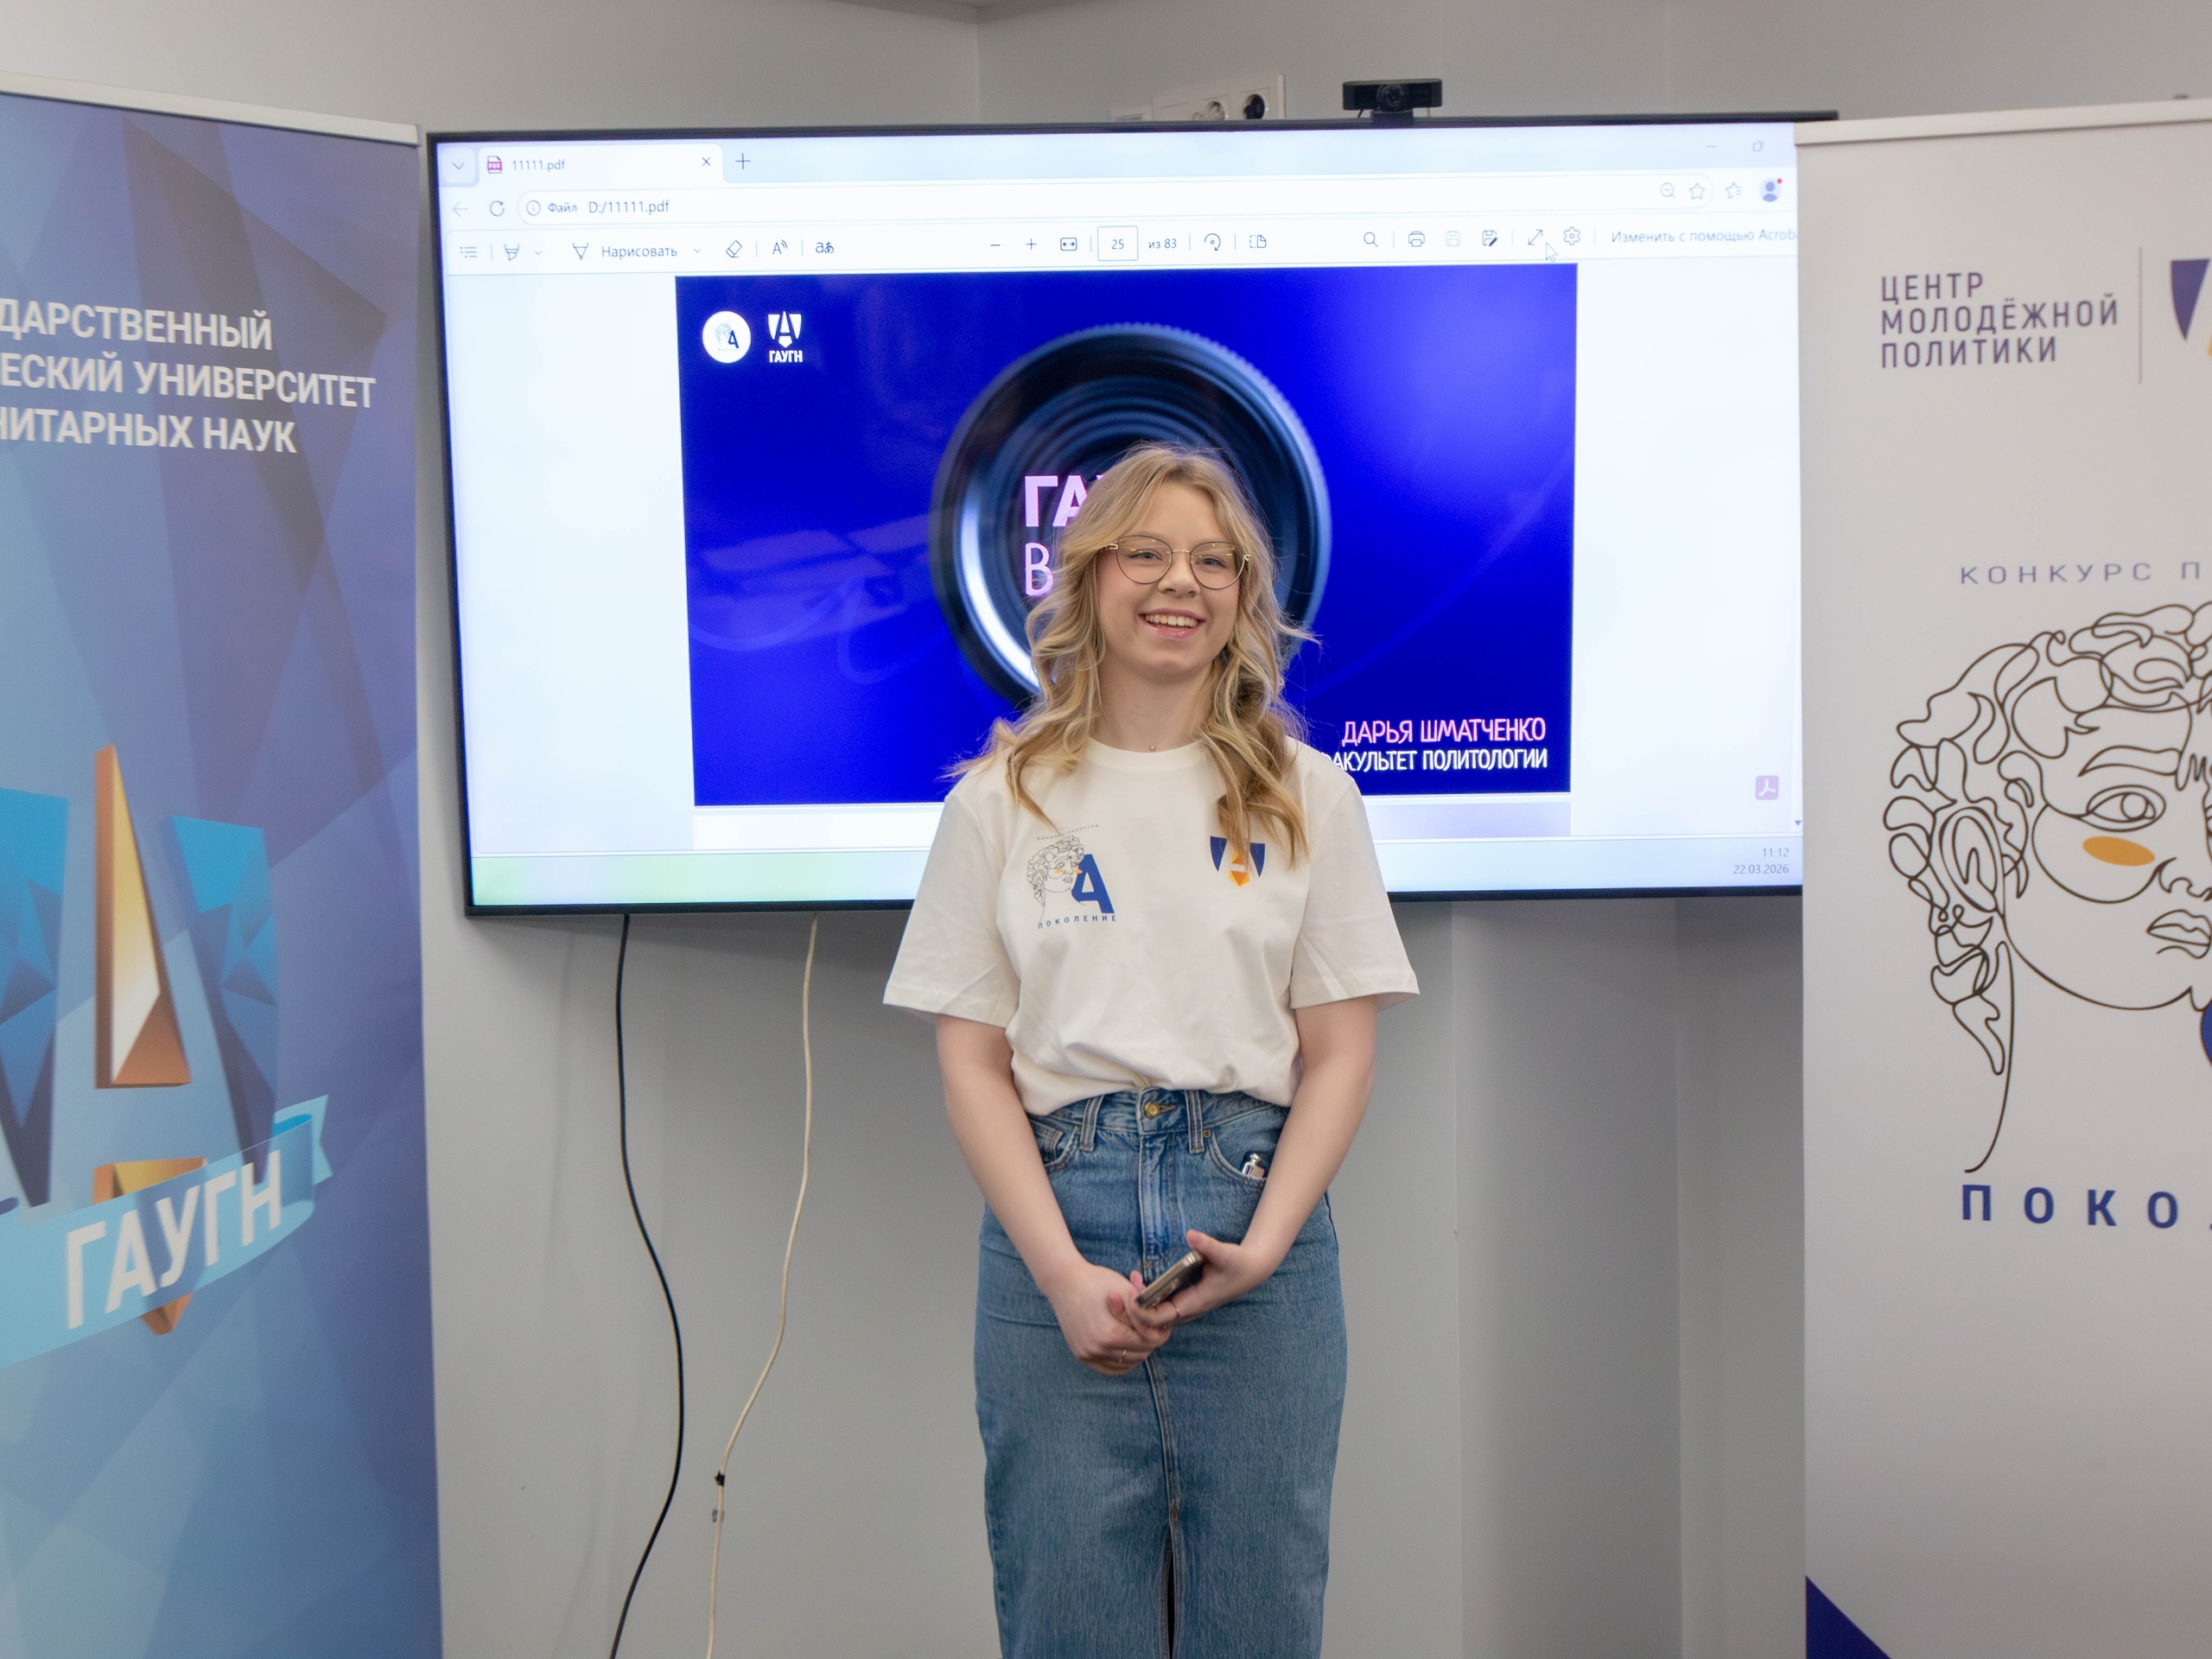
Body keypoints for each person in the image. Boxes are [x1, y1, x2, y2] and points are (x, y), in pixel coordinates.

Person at [884, 443, 1416, 1657]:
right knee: (1066, 1612)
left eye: (1215, 562)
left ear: (1244, 597)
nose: (1182, 582)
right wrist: (1061, 1277)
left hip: (1257, 1226)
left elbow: (1340, 1054)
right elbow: (971, 1065)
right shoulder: (1000, 799)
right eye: (1148, 553)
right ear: (1087, 576)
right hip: (1056, 1233)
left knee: (1261, 1616)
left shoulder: (1308, 794)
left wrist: (1264, 1247)